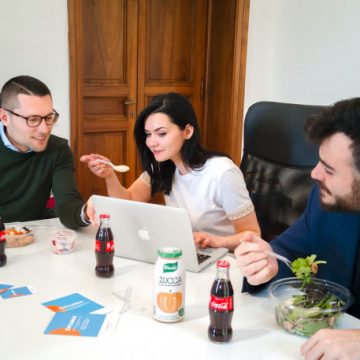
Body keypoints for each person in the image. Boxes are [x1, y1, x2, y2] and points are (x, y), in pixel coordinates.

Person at [235, 97, 360, 360]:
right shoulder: (323, 200)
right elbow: (286, 252)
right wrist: (266, 265)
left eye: (329, 169)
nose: (314, 174)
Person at [81, 92, 260, 251]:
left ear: (188, 131)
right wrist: (109, 175)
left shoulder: (222, 172)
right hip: (190, 254)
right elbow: (127, 201)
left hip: (227, 260)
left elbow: (253, 234)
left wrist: (215, 241)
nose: (151, 142)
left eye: (161, 133)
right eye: (148, 134)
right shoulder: (163, 166)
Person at [0, 75, 89, 230]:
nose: (45, 129)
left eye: (48, 117)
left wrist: (85, 212)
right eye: (33, 119)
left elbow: (67, 203)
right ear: (4, 117)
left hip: (38, 232)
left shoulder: (58, 149)